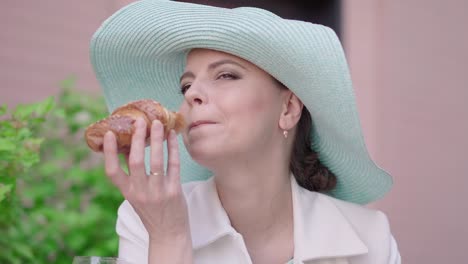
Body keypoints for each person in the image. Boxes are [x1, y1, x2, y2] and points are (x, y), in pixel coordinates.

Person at [90, 1, 401, 263]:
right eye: (186, 84)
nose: (191, 94)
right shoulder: (145, 220)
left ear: (289, 108)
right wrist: (169, 238)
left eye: (226, 75)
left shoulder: (370, 238)